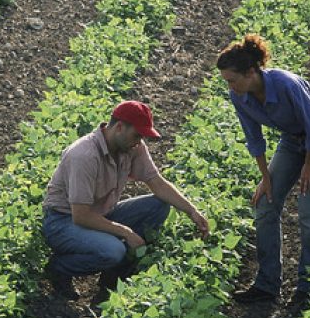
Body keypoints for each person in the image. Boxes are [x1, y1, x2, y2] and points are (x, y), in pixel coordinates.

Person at [217, 34, 310, 305]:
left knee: (309, 209)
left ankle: (309, 287)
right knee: (265, 203)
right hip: (292, 140)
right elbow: (254, 138)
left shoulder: (285, 84)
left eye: (231, 79)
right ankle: (266, 284)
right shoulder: (239, 96)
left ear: (250, 72)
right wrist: (266, 178)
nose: (229, 85)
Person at [41, 100, 210, 300]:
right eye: (137, 135)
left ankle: (113, 276)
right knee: (113, 250)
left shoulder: (131, 146)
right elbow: (81, 216)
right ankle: (60, 268)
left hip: (102, 213)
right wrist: (126, 232)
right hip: (63, 222)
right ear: (119, 127)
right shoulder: (84, 155)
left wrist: (192, 211)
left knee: (158, 205)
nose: (139, 141)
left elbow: (156, 181)